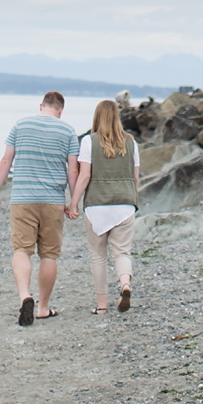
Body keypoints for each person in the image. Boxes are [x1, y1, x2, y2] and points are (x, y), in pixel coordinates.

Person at [0, 91, 80, 326]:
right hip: (52, 201)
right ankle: (43, 308)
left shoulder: (20, 125)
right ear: (61, 110)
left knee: (22, 250)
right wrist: (73, 202)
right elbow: (73, 170)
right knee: (49, 254)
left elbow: (6, 161)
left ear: (41, 106)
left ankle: (24, 296)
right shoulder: (67, 130)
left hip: (23, 198)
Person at [69, 99, 140, 314]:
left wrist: (73, 203)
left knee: (98, 256)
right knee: (122, 252)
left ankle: (101, 306)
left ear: (97, 117)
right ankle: (125, 284)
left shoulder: (89, 142)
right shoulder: (131, 142)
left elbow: (85, 176)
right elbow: (135, 178)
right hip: (125, 205)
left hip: (97, 205)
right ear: (117, 117)